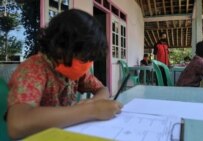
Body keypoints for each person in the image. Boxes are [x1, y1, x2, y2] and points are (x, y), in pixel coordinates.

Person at [7, 9, 121, 139]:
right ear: (59, 46)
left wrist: (95, 102)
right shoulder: (33, 69)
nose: (87, 64)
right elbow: (17, 124)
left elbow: (102, 89)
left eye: (90, 59)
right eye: (83, 58)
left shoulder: (75, 69)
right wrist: (92, 110)